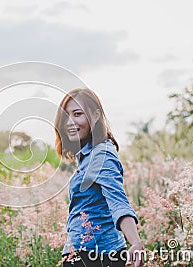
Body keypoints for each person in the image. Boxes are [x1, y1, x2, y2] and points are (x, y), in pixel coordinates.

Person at [54, 88, 143, 267]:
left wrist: (135, 242)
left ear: (95, 116)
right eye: (66, 117)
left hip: (96, 256)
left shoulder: (101, 155)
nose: (70, 122)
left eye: (77, 114)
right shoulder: (88, 156)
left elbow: (118, 201)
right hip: (86, 252)